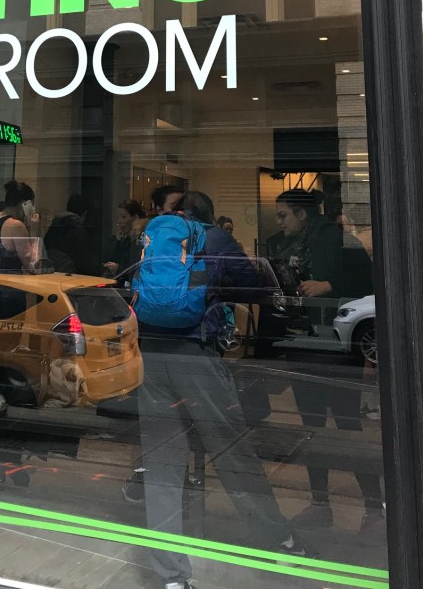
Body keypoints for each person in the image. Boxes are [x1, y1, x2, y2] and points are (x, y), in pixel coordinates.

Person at [133, 190, 303, 589]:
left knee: (162, 464)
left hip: (149, 354)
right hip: (195, 355)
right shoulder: (216, 238)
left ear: (180, 213)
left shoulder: (158, 236)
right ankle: (276, 539)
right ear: (209, 215)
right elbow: (253, 288)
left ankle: (171, 576)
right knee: (231, 451)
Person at [268, 189, 382, 535]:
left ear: (302, 214)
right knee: (311, 428)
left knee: (347, 424)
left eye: (283, 215)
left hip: (335, 343)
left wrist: (329, 284)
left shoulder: (333, 236)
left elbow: (368, 279)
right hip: (301, 340)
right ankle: (321, 503)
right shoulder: (285, 243)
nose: (279, 222)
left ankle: (373, 508)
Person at [0, 180, 40, 272]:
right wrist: (34, 231)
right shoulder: (16, 225)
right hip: (7, 279)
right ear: (25, 204)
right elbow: (32, 266)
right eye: (32, 204)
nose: (33, 209)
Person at [44, 193, 88, 273]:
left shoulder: (56, 224)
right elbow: (83, 258)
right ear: (84, 214)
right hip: (69, 272)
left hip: (50, 269)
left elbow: (46, 244)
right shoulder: (78, 228)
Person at [103, 199, 146, 277]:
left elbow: (135, 269)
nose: (119, 221)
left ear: (136, 217)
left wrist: (118, 269)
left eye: (123, 217)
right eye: (119, 217)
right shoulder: (127, 237)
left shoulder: (140, 238)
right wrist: (119, 241)